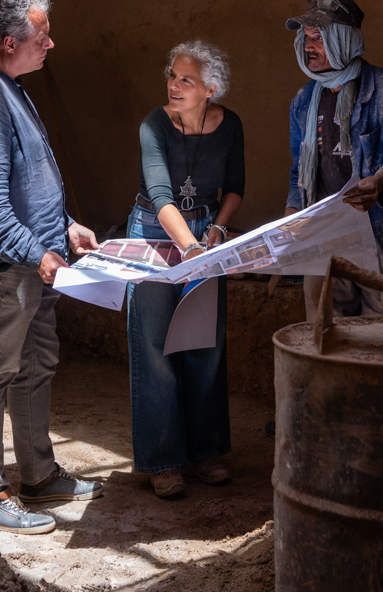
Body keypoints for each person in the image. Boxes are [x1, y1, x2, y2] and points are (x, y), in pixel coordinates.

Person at [0, 0, 104, 534]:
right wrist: (38, 254)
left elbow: (26, 181)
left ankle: (37, 475)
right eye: (41, 37)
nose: (50, 44)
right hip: (2, 267)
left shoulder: (7, 82)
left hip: (30, 260)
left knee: (34, 367)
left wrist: (63, 228)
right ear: (10, 42)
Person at [126, 40, 245, 499]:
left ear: (210, 89)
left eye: (186, 80)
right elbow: (160, 198)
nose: (174, 85)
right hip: (155, 231)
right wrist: (192, 247)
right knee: (155, 346)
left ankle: (208, 452)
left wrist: (216, 229)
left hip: (204, 234)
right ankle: (164, 461)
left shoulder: (229, 124)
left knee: (204, 342)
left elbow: (234, 187)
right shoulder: (153, 125)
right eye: (173, 76)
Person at [284, 0, 383, 320]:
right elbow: (299, 173)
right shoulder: (304, 100)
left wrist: (378, 184)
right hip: (323, 240)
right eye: (305, 38)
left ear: (344, 39)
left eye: (319, 39)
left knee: (381, 341)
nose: (309, 47)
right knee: (326, 339)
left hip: (378, 241)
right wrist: (290, 219)